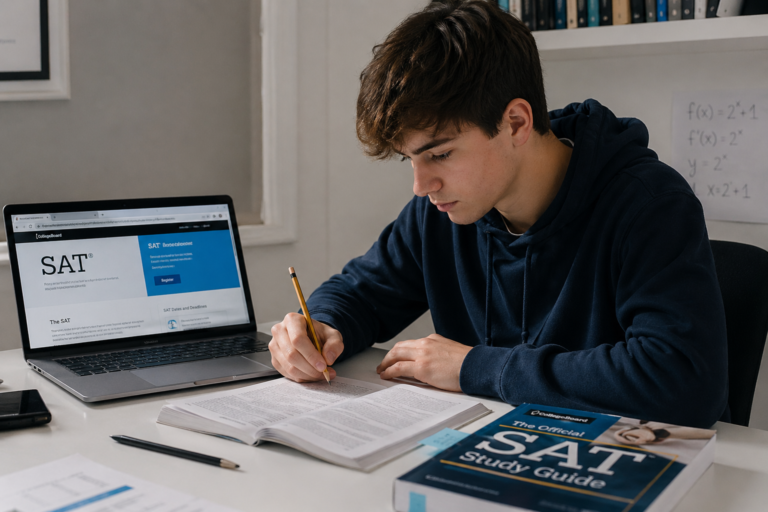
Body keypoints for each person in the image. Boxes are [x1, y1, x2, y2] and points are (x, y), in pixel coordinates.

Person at [268, 0, 728, 428]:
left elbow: (681, 379)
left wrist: (474, 367)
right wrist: (319, 326)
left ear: (516, 123)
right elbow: (361, 292)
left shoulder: (649, 203)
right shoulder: (441, 211)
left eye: (440, 154)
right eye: (410, 159)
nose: (421, 185)